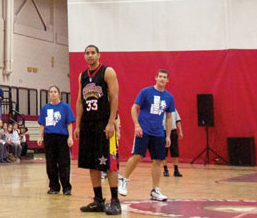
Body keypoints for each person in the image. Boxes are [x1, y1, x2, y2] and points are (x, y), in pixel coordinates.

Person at [78, 44, 122, 215]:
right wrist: (79, 125)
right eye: (87, 53)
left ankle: (115, 201)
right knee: (91, 163)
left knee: (110, 163)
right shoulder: (82, 76)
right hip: (88, 125)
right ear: (84, 56)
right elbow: (80, 101)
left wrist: (111, 122)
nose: (90, 56)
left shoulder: (107, 71)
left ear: (98, 55)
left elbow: (114, 97)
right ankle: (98, 200)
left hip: (104, 124)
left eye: (93, 53)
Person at [120, 69, 175, 202]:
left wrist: (167, 136)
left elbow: (168, 117)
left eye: (164, 77)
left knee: (158, 161)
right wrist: (137, 125)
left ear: (167, 80)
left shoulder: (169, 97)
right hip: (143, 130)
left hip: (158, 133)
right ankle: (124, 180)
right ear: (155, 78)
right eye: (160, 76)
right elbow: (134, 107)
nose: (162, 79)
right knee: (137, 155)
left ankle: (155, 190)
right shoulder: (146, 92)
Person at [39, 85, 77, 195]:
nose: (53, 93)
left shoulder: (65, 107)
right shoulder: (45, 108)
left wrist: (70, 137)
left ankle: (66, 187)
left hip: (61, 137)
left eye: (55, 91)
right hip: (49, 137)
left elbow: (69, 122)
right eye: (51, 92)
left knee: (64, 163)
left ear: (59, 94)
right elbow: (42, 123)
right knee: (50, 163)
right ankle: (54, 186)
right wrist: (40, 136)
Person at [164, 109, 183, 178]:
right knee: (163, 152)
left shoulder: (173, 109)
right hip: (163, 131)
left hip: (173, 131)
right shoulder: (160, 109)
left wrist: (180, 131)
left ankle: (176, 169)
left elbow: (178, 120)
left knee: (175, 151)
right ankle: (165, 169)